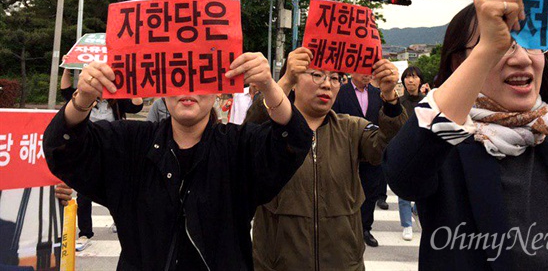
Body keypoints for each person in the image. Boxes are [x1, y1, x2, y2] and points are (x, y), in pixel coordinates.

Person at [384, 0, 548, 270]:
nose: (522, 58)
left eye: (531, 44)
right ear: (461, 62)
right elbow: (403, 174)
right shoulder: (445, 148)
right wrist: (488, 48)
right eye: (502, 45)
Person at [43, 52, 312, 270]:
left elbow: (294, 142)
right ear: (161, 88)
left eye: (201, 77)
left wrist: (270, 87)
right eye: (178, 76)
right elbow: (64, 149)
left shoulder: (239, 147)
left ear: (219, 91)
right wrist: (83, 98)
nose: (189, 88)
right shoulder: (129, 144)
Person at [249, 47, 408, 270]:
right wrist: (282, 82)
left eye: (335, 78)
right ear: (294, 81)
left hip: (343, 263)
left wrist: (390, 98)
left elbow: (389, 148)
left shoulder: (352, 129)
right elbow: (249, 130)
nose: (327, 84)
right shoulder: (270, 131)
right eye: (316, 74)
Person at [59, 65, 144, 250]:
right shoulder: (84, 98)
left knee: (119, 189)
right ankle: (85, 233)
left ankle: (119, 221)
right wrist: (67, 68)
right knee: (84, 193)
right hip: (89, 150)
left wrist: (130, 83)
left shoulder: (117, 101)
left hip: (114, 150)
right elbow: (65, 91)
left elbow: (137, 105)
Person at [332, 72, 388, 248]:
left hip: (372, 151)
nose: (367, 75)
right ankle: (344, 229)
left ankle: (365, 228)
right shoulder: (341, 91)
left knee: (370, 192)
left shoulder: (377, 94)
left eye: (370, 72)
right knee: (344, 191)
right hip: (347, 150)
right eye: (363, 71)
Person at [395, 66, 427, 241]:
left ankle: (416, 211)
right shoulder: (399, 103)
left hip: (422, 148)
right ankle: (406, 224)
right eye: (407, 77)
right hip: (404, 148)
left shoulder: (427, 102)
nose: (410, 80)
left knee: (423, 187)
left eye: (414, 77)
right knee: (404, 189)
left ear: (420, 80)